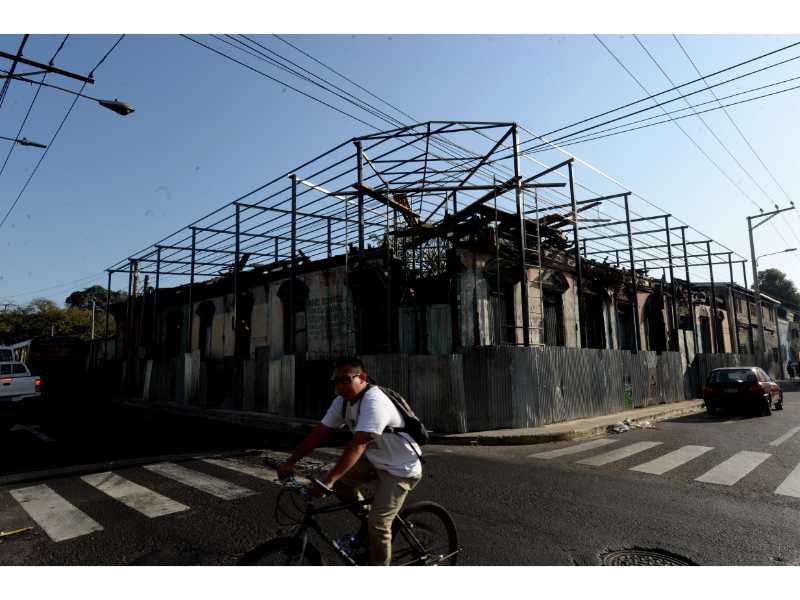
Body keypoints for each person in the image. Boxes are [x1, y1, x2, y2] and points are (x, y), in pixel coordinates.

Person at [277, 356, 423, 566]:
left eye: (345, 380)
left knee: (378, 524)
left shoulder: (375, 400)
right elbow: (318, 433)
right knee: (341, 487)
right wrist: (290, 462)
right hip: (375, 459)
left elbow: (358, 443)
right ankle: (365, 520)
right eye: (336, 382)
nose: (340, 386)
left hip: (400, 467)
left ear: (362, 377)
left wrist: (328, 481)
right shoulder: (342, 402)